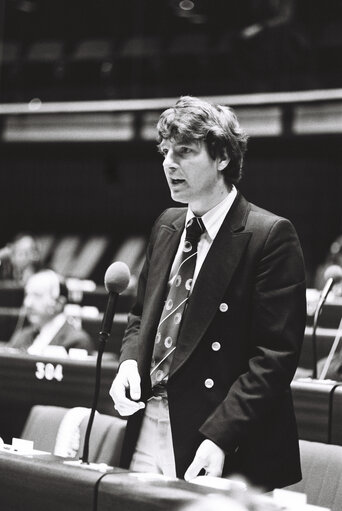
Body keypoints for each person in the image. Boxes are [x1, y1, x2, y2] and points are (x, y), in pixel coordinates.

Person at [110, 96, 306, 491]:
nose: (169, 163)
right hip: (149, 419)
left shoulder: (269, 236)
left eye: (185, 151)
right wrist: (130, 362)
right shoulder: (167, 224)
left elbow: (274, 359)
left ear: (221, 158)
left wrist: (222, 435)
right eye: (165, 151)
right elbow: (139, 317)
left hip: (221, 438)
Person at [8, 269, 93, 355]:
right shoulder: (22, 336)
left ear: (58, 303)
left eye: (37, 295)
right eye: (27, 295)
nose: (27, 303)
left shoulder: (77, 341)